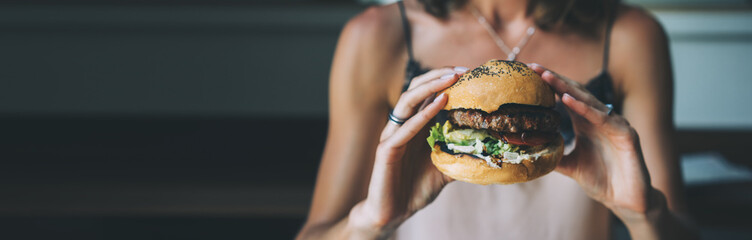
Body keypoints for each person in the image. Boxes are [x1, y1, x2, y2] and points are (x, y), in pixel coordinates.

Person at [297, 0, 697, 239]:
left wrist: (644, 216)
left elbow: (678, 225)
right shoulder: (376, 36)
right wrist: (370, 224)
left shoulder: (631, 36)